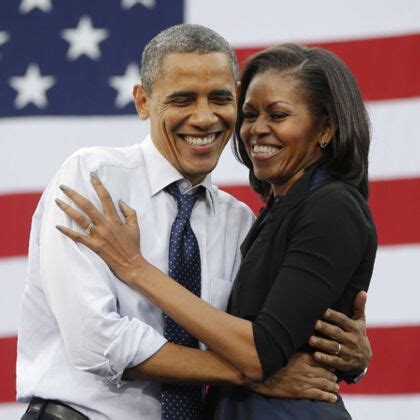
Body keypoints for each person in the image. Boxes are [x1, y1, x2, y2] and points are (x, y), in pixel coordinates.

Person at [18, 25, 371, 420]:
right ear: (143, 102)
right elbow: (96, 341)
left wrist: (348, 354)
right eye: (183, 99)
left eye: (219, 98)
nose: (204, 118)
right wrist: (253, 374)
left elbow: (254, 337)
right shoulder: (94, 179)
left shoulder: (238, 221)